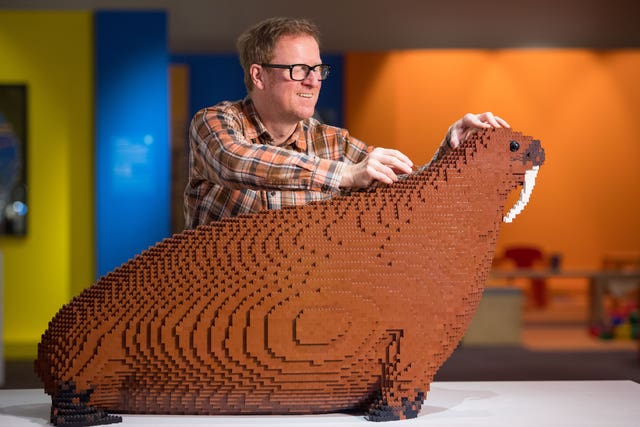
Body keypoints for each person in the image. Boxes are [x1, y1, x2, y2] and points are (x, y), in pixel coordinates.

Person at [184, 17, 509, 228]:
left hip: (302, 312)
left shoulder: (334, 142)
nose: (313, 82)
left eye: (318, 70)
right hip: (218, 320)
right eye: (299, 69)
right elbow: (235, 161)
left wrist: (452, 150)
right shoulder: (214, 123)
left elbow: (405, 188)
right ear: (259, 76)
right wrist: (345, 174)